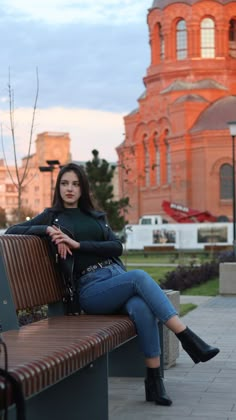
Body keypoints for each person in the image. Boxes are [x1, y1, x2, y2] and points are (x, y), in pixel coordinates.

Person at [6, 162, 220, 407]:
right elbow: (12, 230)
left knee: (141, 307)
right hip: (90, 288)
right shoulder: (53, 216)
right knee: (139, 277)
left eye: (75, 184)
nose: (70, 189)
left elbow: (116, 247)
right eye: (65, 183)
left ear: (83, 188)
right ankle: (187, 337)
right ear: (58, 187)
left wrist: (78, 245)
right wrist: (46, 229)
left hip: (115, 277)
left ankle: (154, 382)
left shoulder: (96, 217)